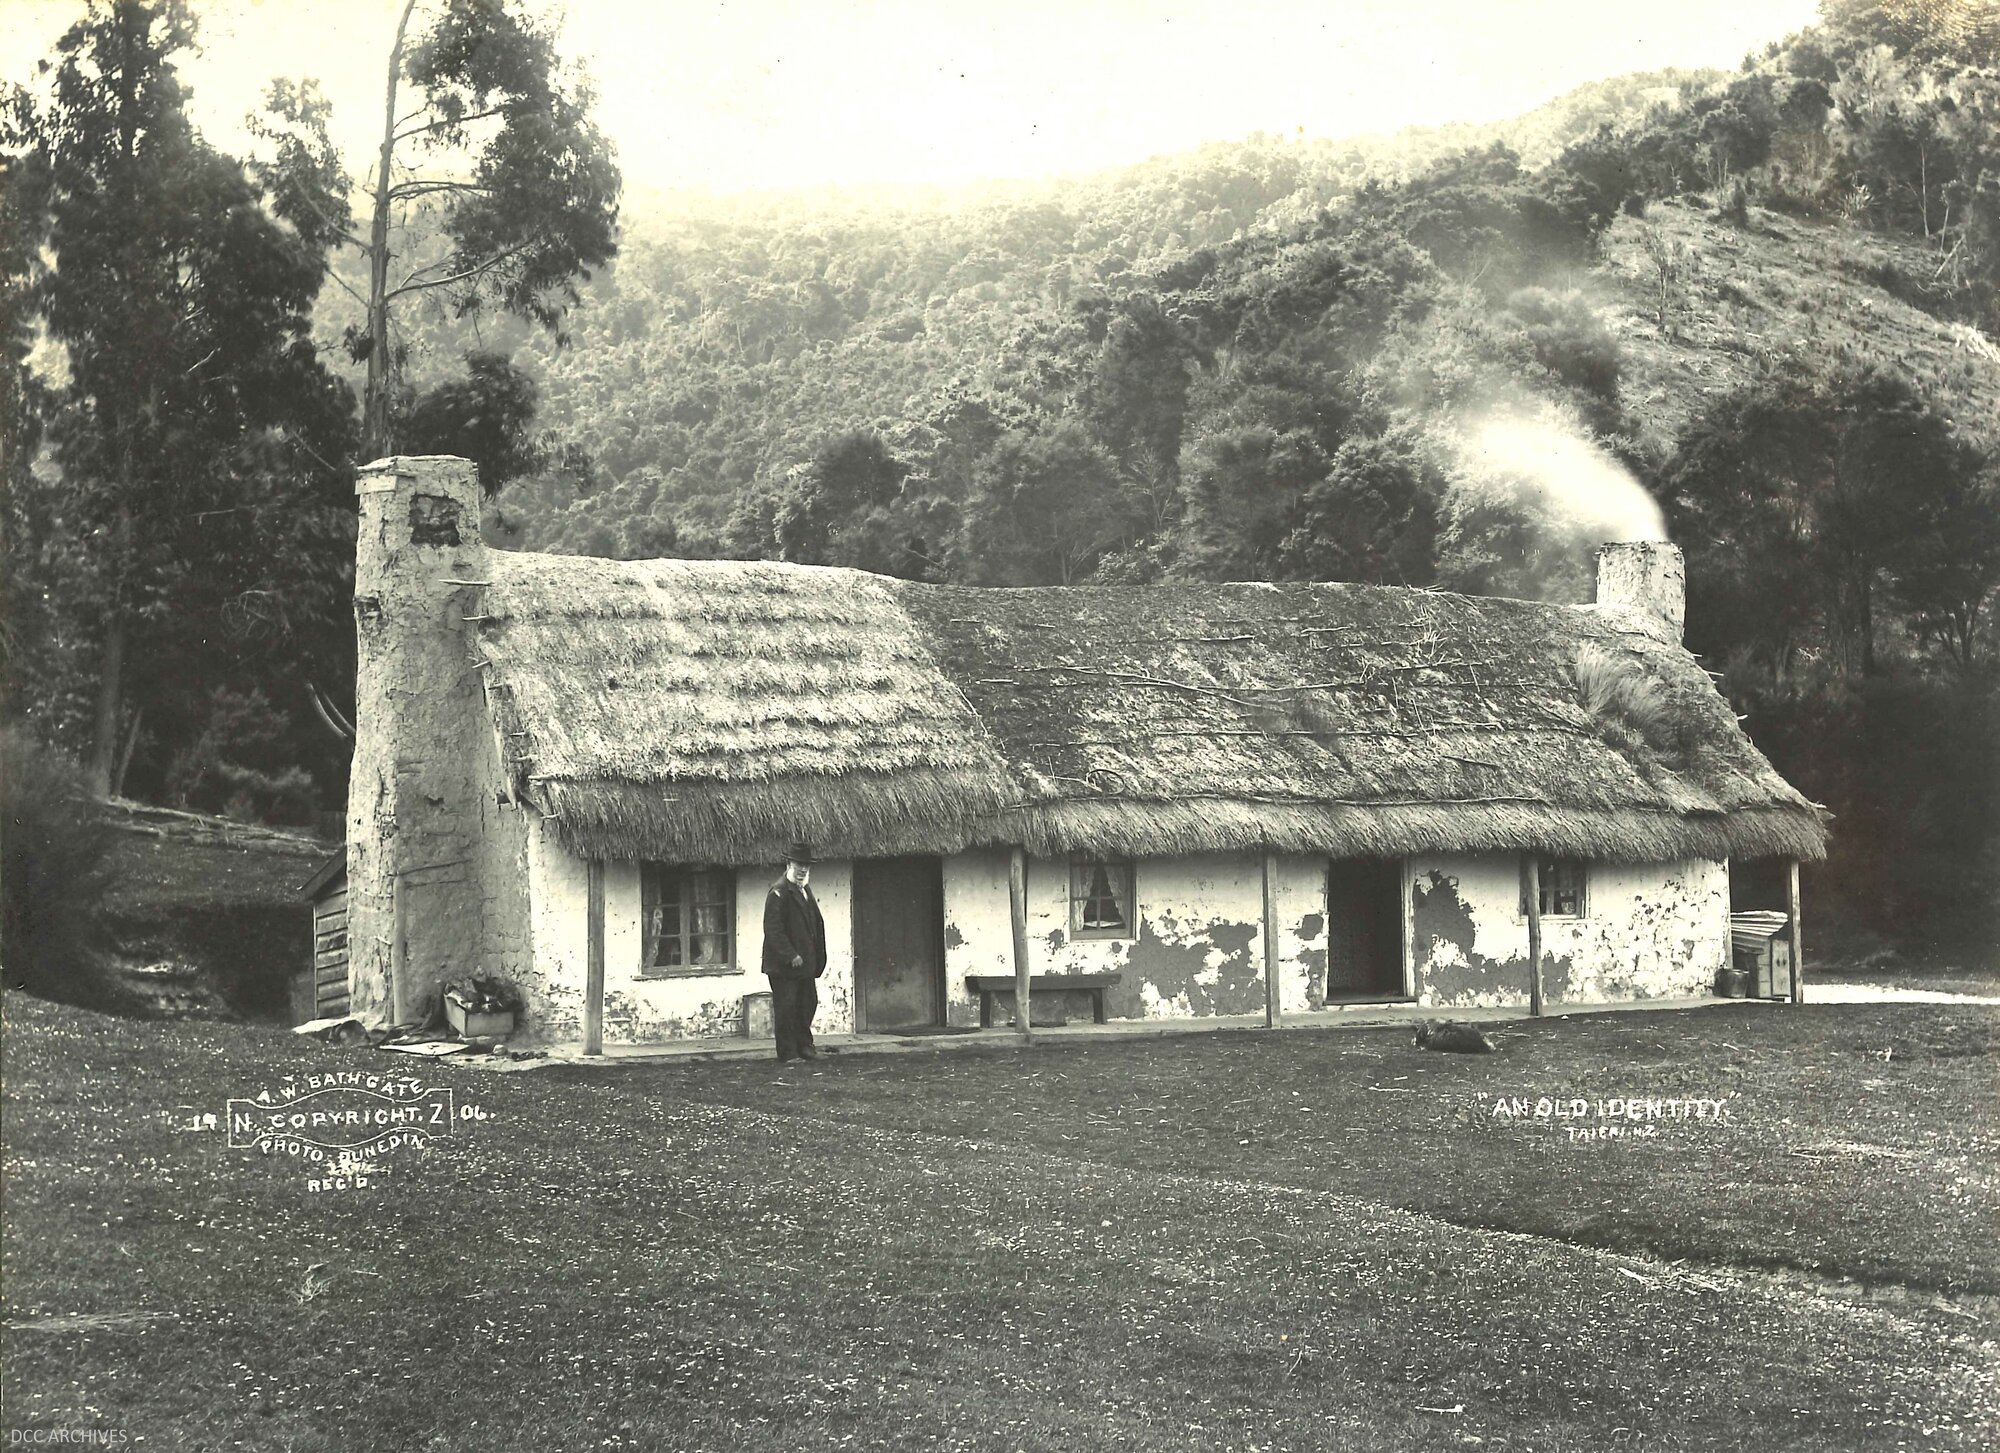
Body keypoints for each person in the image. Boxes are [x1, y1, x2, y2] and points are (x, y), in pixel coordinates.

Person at [761, 843, 827, 1062]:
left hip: (805, 965)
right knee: (787, 1009)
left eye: (806, 866)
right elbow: (773, 930)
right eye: (799, 865)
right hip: (784, 966)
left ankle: (805, 1048)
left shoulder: (804, 890)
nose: (802, 870)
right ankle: (788, 1053)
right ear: (789, 864)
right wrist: (790, 955)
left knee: (808, 1003)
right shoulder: (779, 892)